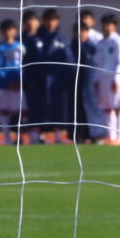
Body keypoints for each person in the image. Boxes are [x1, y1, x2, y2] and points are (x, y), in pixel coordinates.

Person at [40, 9, 73, 144]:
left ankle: (58, 135)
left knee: (57, 107)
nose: (51, 23)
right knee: (40, 107)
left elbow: (69, 59)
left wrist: (68, 78)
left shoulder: (61, 39)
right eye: (48, 19)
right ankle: (40, 135)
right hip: (41, 80)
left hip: (58, 80)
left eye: (53, 20)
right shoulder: (37, 38)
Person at [95, 13, 120, 144]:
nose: (106, 27)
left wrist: (116, 79)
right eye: (104, 24)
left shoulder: (119, 41)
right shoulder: (100, 43)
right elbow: (97, 63)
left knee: (119, 107)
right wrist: (96, 80)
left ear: (114, 26)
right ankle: (111, 136)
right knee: (107, 108)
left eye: (109, 24)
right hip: (103, 78)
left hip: (115, 77)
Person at [0, 18, 24, 145]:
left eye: (10, 30)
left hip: (19, 85)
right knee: (4, 110)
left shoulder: (21, 46)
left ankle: (20, 137)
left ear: (15, 31)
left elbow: (26, 65)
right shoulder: (0, 48)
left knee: (21, 111)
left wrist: (21, 81)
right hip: (3, 86)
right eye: (5, 30)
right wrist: (7, 82)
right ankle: (7, 138)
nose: (8, 33)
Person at [69, 22, 100, 144]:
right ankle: (79, 136)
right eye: (77, 31)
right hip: (75, 83)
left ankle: (94, 135)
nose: (80, 34)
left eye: (83, 31)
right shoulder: (70, 46)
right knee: (77, 110)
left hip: (90, 83)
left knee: (92, 109)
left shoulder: (93, 47)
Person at [20, 10, 45, 145]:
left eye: (33, 21)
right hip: (24, 80)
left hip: (41, 80)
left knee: (39, 108)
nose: (31, 24)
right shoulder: (20, 40)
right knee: (23, 109)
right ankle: (22, 136)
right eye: (27, 21)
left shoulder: (43, 38)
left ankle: (38, 134)